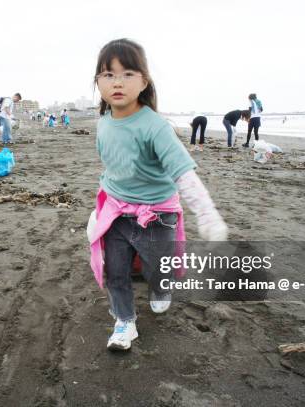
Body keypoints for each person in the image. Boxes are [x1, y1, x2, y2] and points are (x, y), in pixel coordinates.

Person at [88, 39, 228, 351]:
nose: (118, 82)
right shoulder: (104, 123)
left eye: (127, 73)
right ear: (98, 82)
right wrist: (98, 211)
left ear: (144, 81)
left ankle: (160, 290)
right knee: (116, 271)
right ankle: (124, 321)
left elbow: (183, 173)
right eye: (108, 75)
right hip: (117, 214)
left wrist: (207, 214)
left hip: (157, 216)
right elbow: (111, 170)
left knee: (158, 268)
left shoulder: (155, 127)